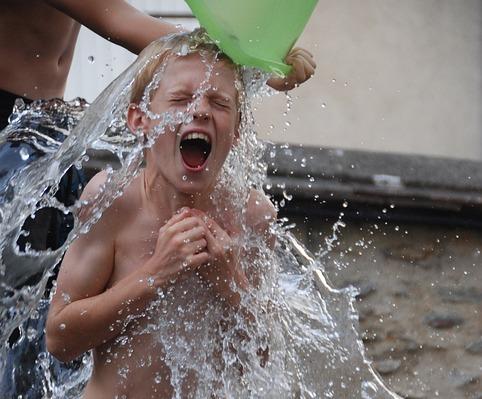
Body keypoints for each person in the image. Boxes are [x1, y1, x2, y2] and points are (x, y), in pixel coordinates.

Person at [45, 31, 315, 397]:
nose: (200, 110)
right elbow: (60, 339)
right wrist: (156, 273)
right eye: (181, 98)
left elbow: (266, 356)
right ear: (140, 119)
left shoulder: (250, 216)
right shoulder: (113, 200)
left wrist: (230, 280)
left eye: (219, 103)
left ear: (236, 131)